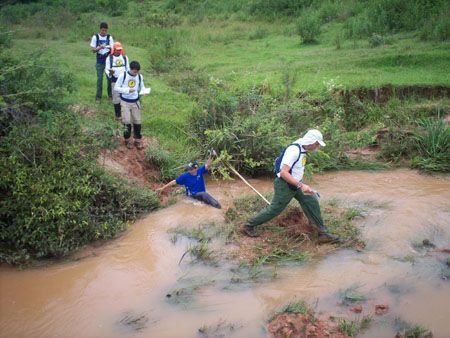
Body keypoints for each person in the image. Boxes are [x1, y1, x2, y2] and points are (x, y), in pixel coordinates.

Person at [244, 129, 340, 243]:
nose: (317, 147)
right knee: (275, 209)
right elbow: (284, 172)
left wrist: (301, 184)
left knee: (311, 201)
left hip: (296, 184)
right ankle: (249, 225)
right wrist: (301, 185)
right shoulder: (294, 150)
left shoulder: (303, 146)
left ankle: (321, 233)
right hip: (285, 185)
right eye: (317, 144)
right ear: (311, 142)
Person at [157, 154, 222, 209]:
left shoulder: (200, 171)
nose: (189, 170)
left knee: (206, 199)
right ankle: (219, 207)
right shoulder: (184, 176)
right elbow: (174, 182)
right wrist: (163, 188)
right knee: (204, 194)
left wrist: (211, 156)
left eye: (190, 169)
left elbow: (207, 165)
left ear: (196, 169)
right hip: (192, 196)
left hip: (201, 195)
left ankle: (217, 207)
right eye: (188, 168)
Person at [114, 61, 150, 150]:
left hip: (135, 102)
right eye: (134, 71)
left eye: (137, 71)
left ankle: (137, 140)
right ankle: (127, 140)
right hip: (125, 102)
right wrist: (127, 90)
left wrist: (144, 91)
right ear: (130, 69)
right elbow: (116, 87)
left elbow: (142, 87)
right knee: (126, 121)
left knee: (137, 121)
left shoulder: (139, 76)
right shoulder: (123, 75)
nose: (136, 73)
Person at [105, 42, 129, 121]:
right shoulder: (110, 58)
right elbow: (107, 69)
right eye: (117, 50)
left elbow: (128, 68)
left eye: (120, 50)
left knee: (125, 97)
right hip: (115, 80)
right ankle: (117, 115)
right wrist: (110, 73)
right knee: (116, 98)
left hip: (124, 81)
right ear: (114, 50)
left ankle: (124, 114)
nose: (118, 51)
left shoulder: (125, 57)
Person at [90, 22, 114, 103]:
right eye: (103, 30)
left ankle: (110, 96)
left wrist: (109, 49)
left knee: (110, 79)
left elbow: (113, 49)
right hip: (99, 61)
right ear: (100, 29)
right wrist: (100, 47)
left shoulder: (109, 37)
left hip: (108, 61)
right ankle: (98, 97)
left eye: (105, 30)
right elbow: (93, 50)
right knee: (99, 79)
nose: (104, 32)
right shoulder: (95, 37)